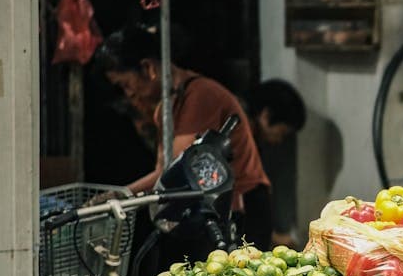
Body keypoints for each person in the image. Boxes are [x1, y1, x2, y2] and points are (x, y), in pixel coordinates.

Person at [94, 23, 272, 248]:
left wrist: (122, 195)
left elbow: (174, 170)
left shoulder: (199, 96)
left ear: (149, 68)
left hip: (243, 204)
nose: (129, 93)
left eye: (126, 84)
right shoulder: (169, 105)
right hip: (217, 205)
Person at [245, 79, 307, 247]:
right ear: (266, 116)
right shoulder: (242, 140)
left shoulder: (252, 140)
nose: (280, 140)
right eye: (283, 132)